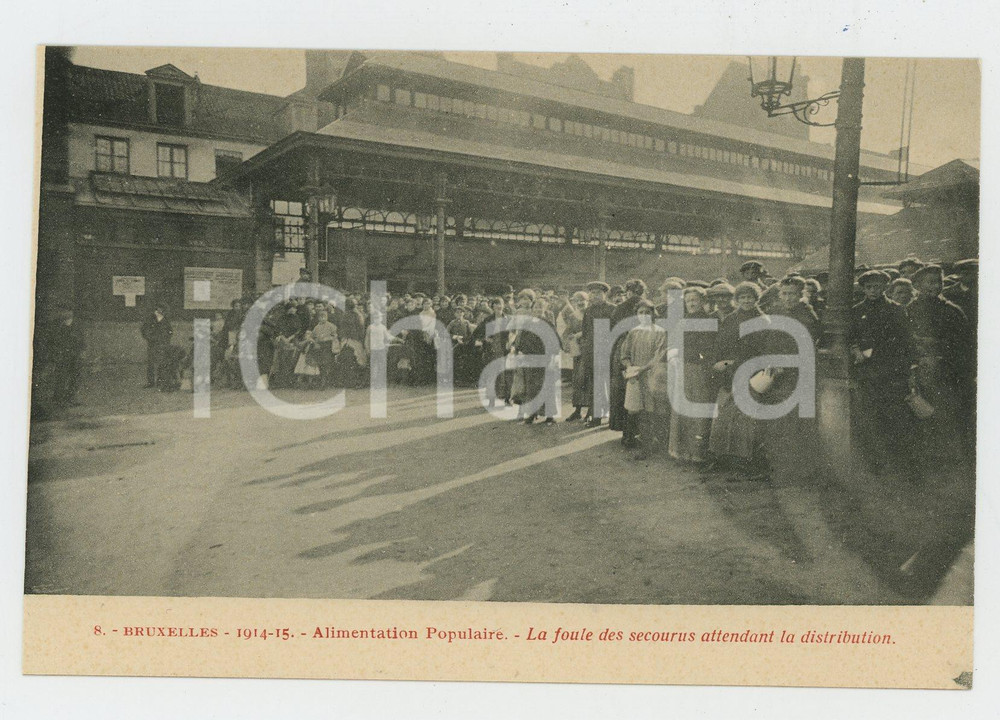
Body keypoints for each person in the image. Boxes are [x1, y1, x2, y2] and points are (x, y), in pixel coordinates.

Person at [848, 269, 916, 472]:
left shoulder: (896, 309)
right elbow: (851, 336)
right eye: (869, 287)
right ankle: (875, 461)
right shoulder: (857, 310)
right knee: (870, 417)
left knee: (894, 416)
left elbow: (905, 341)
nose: (873, 291)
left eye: (877, 287)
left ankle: (897, 461)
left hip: (891, 372)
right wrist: (855, 350)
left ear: (885, 287)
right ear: (863, 289)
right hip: (867, 373)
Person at [707, 282, 770, 477]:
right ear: (737, 299)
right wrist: (718, 362)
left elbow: (761, 350)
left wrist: (734, 363)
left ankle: (743, 461)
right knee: (723, 416)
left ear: (756, 298)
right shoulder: (731, 319)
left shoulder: (763, 320)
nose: (746, 301)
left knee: (745, 419)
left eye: (749, 297)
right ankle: (720, 458)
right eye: (742, 297)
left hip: (750, 373)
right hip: (728, 374)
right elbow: (720, 344)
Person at [668, 287, 715, 463]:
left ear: (703, 302)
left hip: (701, 370)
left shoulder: (710, 321)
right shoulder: (682, 321)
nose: (692, 304)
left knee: (699, 407)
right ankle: (680, 451)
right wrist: (674, 357)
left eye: (695, 300)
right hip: (683, 369)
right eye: (688, 301)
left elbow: (710, 348)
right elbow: (672, 343)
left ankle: (698, 453)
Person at [620, 300, 667, 455]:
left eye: (647, 312)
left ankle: (652, 443)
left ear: (653, 314)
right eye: (641, 312)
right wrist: (630, 367)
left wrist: (644, 368)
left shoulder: (660, 332)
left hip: (651, 374)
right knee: (634, 408)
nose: (644, 315)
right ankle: (632, 438)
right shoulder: (633, 332)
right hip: (635, 375)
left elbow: (658, 355)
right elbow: (624, 354)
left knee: (651, 409)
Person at [609, 279, 647, 434]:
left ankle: (625, 429)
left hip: (623, 347)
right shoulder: (648, 306)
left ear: (628, 292)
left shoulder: (619, 308)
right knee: (640, 388)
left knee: (622, 388)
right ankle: (638, 430)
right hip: (643, 347)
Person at [579, 282, 615, 426]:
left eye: (598, 293)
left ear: (605, 294)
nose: (595, 296)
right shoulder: (588, 311)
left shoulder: (612, 309)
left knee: (605, 384)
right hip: (591, 352)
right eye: (593, 293)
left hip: (606, 352)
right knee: (593, 384)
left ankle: (599, 416)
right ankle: (594, 413)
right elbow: (586, 332)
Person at [559, 291, 588, 421]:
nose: (581, 303)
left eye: (583, 300)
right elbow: (566, 332)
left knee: (589, 380)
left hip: (589, 351)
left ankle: (591, 411)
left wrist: (578, 335)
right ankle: (577, 409)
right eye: (577, 301)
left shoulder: (590, 315)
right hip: (577, 352)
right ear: (574, 303)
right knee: (578, 380)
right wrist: (566, 342)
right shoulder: (572, 316)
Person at [47, 307, 85, 407]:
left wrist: (81, 351)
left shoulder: (77, 326)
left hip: (75, 355)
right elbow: (53, 342)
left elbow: (81, 340)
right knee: (62, 377)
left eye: (69, 313)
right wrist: (56, 355)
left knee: (75, 377)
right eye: (65, 313)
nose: (67, 315)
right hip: (63, 356)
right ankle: (58, 399)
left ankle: (70, 398)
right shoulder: (57, 327)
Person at [141, 305, 173, 389]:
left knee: (161, 363)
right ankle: (150, 382)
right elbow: (143, 330)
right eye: (157, 310)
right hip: (152, 344)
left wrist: (165, 340)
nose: (159, 312)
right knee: (151, 363)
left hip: (162, 344)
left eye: (161, 310)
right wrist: (149, 338)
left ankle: (160, 382)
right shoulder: (150, 320)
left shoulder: (165, 321)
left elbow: (170, 332)